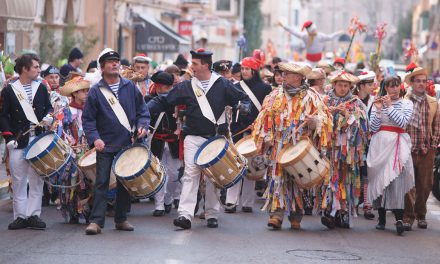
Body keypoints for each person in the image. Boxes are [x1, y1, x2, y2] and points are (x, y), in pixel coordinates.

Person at [154, 48, 251, 229]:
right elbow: (166, 100)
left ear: (205, 65)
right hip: (192, 136)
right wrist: (147, 104)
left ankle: (212, 213)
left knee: (213, 177)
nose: (192, 67)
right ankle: (185, 215)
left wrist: (244, 106)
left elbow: (243, 98)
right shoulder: (187, 85)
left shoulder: (222, 84)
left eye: (195, 64)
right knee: (191, 174)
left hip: (215, 138)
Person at [252, 62, 332, 230]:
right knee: (278, 178)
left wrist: (315, 122)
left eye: (287, 74)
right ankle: (277, 214)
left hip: (301, 145)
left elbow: (325, 119)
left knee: (298, 179)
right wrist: (265, 137)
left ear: (298, 77)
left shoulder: (312, 97)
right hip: (279, 144)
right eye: (284, 73)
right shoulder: (274, 96)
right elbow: (263, 118)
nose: (283, 76)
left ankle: (296, 215)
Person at [82, 48, 150, 235]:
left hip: (126, 142)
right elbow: (88, 120)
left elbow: (142, 112)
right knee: (102, 182)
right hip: (105, 144)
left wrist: (143, 125)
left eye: (116, 61)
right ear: (102, 67)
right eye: (110, 62)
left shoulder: (130, 87)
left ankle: (121, 219)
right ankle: (96, 221)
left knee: (124, 184)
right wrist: (95, 139)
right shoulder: (96, 91)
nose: (114, 64)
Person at [0, 53, 53, 230]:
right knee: (18, 180)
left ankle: (34, 215)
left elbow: (49, 108)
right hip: (18, 140)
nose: (39, 70)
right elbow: (4, 115)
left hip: (37, 139)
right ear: (25, 69)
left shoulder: (41, 87)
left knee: (37, 179)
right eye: (36, 67)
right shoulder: (10, 89)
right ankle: (20, 216)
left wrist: (49, 118)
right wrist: (9, 136)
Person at [367, 75, 414, 235]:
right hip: (380, 145)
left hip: (398, 145)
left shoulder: (407, 103)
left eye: (396, 86)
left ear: (400, 87)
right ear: (385, 88)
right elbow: (373, 128)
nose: (394, 89)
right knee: (381, 180)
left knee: (397, 181)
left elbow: (402, 123)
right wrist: (379, 110)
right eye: (390, 86)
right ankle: (381, 219)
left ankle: (399, 219)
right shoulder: (377, 103)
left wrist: (389, 107)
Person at [321, 71, 368, 229]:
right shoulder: (325, 101)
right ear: (333, 85)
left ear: (350, 87)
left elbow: (362, 127)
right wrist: (333, 113)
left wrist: (347, 116)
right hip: (329, 149)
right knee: (329, 179)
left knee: (346, 179)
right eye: (339, 85)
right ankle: (328, 209)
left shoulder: (357, 103)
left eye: (346, 85)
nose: (342, 88)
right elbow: (319, 121)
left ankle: (342, 212)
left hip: (348, 152)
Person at [224, 57, 272, 214]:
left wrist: (259, 126)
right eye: (242, 69)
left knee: (252, 166)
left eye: (247, 69)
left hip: (256, 131)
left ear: (254, 70)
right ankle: (231, 201)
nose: (244, 71)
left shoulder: (265, 89)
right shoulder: (235, 87)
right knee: (236, 165)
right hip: (238, 130)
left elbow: (268, 111)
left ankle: (247, 202)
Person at [403, 63, 440, 230]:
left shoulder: (433, 102)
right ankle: (408, 217)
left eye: (424, 81)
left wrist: (433, 146)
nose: (421, 84)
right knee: (408, 185)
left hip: (426, 150)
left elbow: (437, 126)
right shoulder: (404, 102)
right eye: (417, 81)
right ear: (412, 83)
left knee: (425, 185)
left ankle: (421, 214)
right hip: (408, 150)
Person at [56, 76, 92, 223]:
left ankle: (89, 211)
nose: (86, 94)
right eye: (82, 91)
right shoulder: (66, 111)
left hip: (89, 149)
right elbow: (61, 131)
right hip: (72, 151)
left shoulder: (91, 109)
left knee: (89, 181)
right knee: (71, 181)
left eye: (87, 91)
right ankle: (73, 211)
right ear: (74, 94)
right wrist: (70, 144)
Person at [145, 71, 181, 216]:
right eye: (165, 87)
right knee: (158, 174)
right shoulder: (149, 100)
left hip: (173, 142)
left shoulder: (178, 100)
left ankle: (168, 199)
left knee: (174, 175)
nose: (167, 90)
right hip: (157, 142)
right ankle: (159, 205)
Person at [354, 70, 376, 220]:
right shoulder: (352, 100)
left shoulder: (375, 101)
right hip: (354, 142)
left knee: (367, 174)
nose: (372, 86)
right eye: (369, 84)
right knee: (355, 172)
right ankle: (354, 203)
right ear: (361, 85)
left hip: (370, 143)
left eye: (372, 83)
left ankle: (368, 205)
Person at [278, 20, 343, 65]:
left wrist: (339, 33)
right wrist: (284, 26)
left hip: (319, 60)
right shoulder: (305, 36)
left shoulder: (320, 36)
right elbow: (293, 31)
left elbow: (330, 37)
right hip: (309, 60)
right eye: (314, 30)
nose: (315, 31)